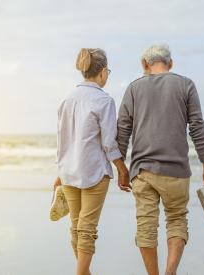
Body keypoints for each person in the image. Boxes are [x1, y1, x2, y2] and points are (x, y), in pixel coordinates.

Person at [116, 44, 204, 275]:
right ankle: (170, 272)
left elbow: (122, 129)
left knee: (146, 225)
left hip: (143, 171)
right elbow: (198, 128)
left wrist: (122, 167)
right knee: (177, 220)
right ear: (171, 64)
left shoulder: (134, 88)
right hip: (177, 171)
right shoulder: (185, 84)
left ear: (145, 64)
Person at [53, 48, 129, 275]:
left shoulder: (66, 99)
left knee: (76, 227)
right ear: (103, 72)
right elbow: (109, 142)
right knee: (86, 229)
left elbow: (61, 140)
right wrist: (122, 169)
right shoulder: (104, 100)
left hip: (68, 171)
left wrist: (59, 170)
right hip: (94, 171)